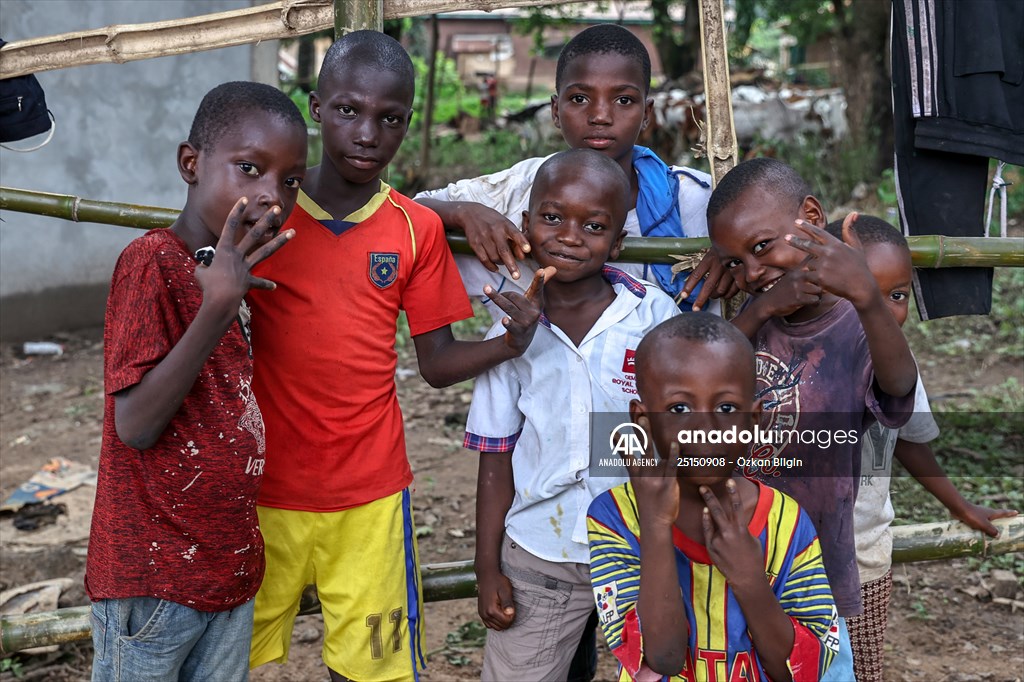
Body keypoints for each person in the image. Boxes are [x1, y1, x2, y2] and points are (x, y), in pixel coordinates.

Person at [245, 31, 545, 682]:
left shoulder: (415, 228)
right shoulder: (266, 215)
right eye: (349, 110)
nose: (367, 133)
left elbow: (435, 364)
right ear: (316, 108)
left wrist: (509, 342)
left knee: (370, 669)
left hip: (370, 494)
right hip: (260, 488)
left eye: (390, 118)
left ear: (407, 123)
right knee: (229, 660)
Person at [85, 81, 307, 682]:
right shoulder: (152, 262)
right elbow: (135, 425)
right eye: (249, 168)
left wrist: (228, 296)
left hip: (226, 572)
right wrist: (217, 309)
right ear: (191, 163)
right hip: (152, 579)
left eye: (290, 180)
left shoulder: (233, 276)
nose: (272, 195)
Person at [464, 148, 681, 681]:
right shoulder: (508, 332)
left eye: (594, 226)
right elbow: (495, 456)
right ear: (525, 225)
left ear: (618, 242)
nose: (569, 236)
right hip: (541, 551)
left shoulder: (653, 316)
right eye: (553, 217)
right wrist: (487, 567)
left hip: (645, 547)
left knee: (667, 666)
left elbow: (683, 432)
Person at [706, 157, 919, 681]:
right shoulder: (746, 322)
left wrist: (867, 297)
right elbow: (705, 374)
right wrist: (758, 310)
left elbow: (898, 389)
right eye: (734, 263)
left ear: (812, 217)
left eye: (762, 248)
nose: (752, 273)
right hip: (730, 549)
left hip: (813, 565)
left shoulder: (856, 324)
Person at [416, 23, 736, 320]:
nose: (600, 116)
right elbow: (410, 211)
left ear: (646, 114)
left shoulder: (697, 199)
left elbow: (763, 243)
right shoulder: (519, 188)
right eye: (580, 98)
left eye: (624, 100)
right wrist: (464, 212)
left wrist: (732, 255)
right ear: (556, 111)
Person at [588, 312, 839, 681]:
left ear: (754, 419)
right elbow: (663, 658)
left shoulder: (786, 522)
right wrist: (655, 527)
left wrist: (750, 580)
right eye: (679, 409)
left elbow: (800, 670)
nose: (705, 429)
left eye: (726, 408)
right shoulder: (615, 517)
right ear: (643, 420)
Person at [824, 215, 1019, 682]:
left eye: (896, 296)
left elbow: (908, 441)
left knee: (860, 671)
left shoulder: (898, 364)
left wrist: (959, 504)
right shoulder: (802, 355)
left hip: (864, 555)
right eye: (859, 292)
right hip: (793, 554)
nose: (880, 309)